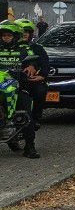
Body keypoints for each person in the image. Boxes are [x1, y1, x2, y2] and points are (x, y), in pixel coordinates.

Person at [0, 22, 39, 158]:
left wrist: (32, 66)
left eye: (9, 35)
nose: (6, 38)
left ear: (15, 36)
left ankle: (30, 146)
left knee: (26, 113)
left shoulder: (24, 48)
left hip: (17, 85)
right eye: (3, 35)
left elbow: (34, 61)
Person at [16, 19, 48, 137]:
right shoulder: (8, 47)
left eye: (27, 31)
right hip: (8, 80)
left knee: (40, 90)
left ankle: (35, 118)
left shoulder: (37, 48)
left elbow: (45, 63)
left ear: (31, 33)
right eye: (21, 32)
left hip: (28, 81)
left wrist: (42, 75)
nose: (24, 34)